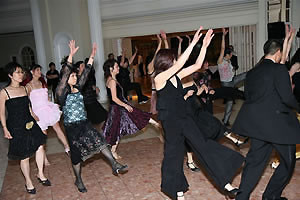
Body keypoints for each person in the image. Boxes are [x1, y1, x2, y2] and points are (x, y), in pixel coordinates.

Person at [154, 27, 244, 200]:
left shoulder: (176, 75)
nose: (176, 61)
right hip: (171, 123)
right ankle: (178, 192)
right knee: (174, 155)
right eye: (173, 59)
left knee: (203, 145)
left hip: (185, 117)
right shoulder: (159, 79)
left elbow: (196, 66)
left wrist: (204, 46)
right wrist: (194, 42)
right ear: (166, 62)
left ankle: (225, 183)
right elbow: (181, 63)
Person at [232, 36, 300, 200]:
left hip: (257, 125)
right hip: (279, 126)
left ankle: (242, 197)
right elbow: (287, 97)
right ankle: (271, 196)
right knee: (288, 162)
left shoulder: (253, 72)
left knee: (254, 163)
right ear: (278, 53)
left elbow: (249, 96)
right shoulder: (279, 70)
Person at [56, 40, 128, 193]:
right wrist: (70, 56)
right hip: (72, 128)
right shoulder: (61, 92)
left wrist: (92, 56)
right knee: (76, 157)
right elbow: (66, 74)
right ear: (66, 77)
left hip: (84, 123)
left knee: (100, 141)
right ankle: (78, 179)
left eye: (76, 75)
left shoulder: (78, 87)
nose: (75, 78)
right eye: (72, 76)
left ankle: (114, 164)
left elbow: (87, 72)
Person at [0, 62, 50, 194]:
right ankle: (28, 181)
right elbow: (1, 113)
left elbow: (28, 105)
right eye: (17, 72)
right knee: (25, 155)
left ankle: (40, 174)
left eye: (21, 72)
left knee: (40, 145)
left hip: (29, 121)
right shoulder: (4, 92)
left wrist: (34, 114)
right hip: (16, 125)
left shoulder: (25, 89)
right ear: (10, 75)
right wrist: (5, 128)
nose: (21, 74)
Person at [102, 59, 160, 159]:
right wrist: (125, 105)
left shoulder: (112, 79)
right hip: (117, 108)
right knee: (116, 129)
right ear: (111, 69)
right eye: (116, 66)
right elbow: (114, 98)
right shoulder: (111, 81)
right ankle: (112, 151)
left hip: (119, 106)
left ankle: (152, 122)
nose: (118, 68)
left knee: (121, 125)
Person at [26, 64, 70, 163]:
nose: (39, 72)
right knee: (43, 135)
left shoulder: (42, 83)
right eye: (37, 70)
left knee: (58, 127)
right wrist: (32, 113)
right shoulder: (28, 86)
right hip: (38, 111)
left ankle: (68, 148)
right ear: (32, 72)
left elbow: (47, 97)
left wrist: (52, 104)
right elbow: (27, 102)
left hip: (47, 108)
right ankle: (43, 157)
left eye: (40, 70)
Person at [217, 28, 246, 126]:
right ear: (227, 54)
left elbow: (231, 71)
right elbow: (222, 49)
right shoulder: (220, 61)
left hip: (232, 80)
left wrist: (233, 70)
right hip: (226, 84)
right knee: (229, 103)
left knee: (246, 74)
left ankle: (257, 72)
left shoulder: (228, 61)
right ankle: (225, 121)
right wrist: (223, 36)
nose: (232, 55)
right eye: (231, 54)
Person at [75, 60, 108, 127]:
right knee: (102, 116)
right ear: (78, 68)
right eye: (82, 66)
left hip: (92, 98)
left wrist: (95, 87)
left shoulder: (86, 76)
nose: (84, 67)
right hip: (87, 100)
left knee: (100, 117)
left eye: (84, 65)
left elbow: (90, 84)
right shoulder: (76, 78)